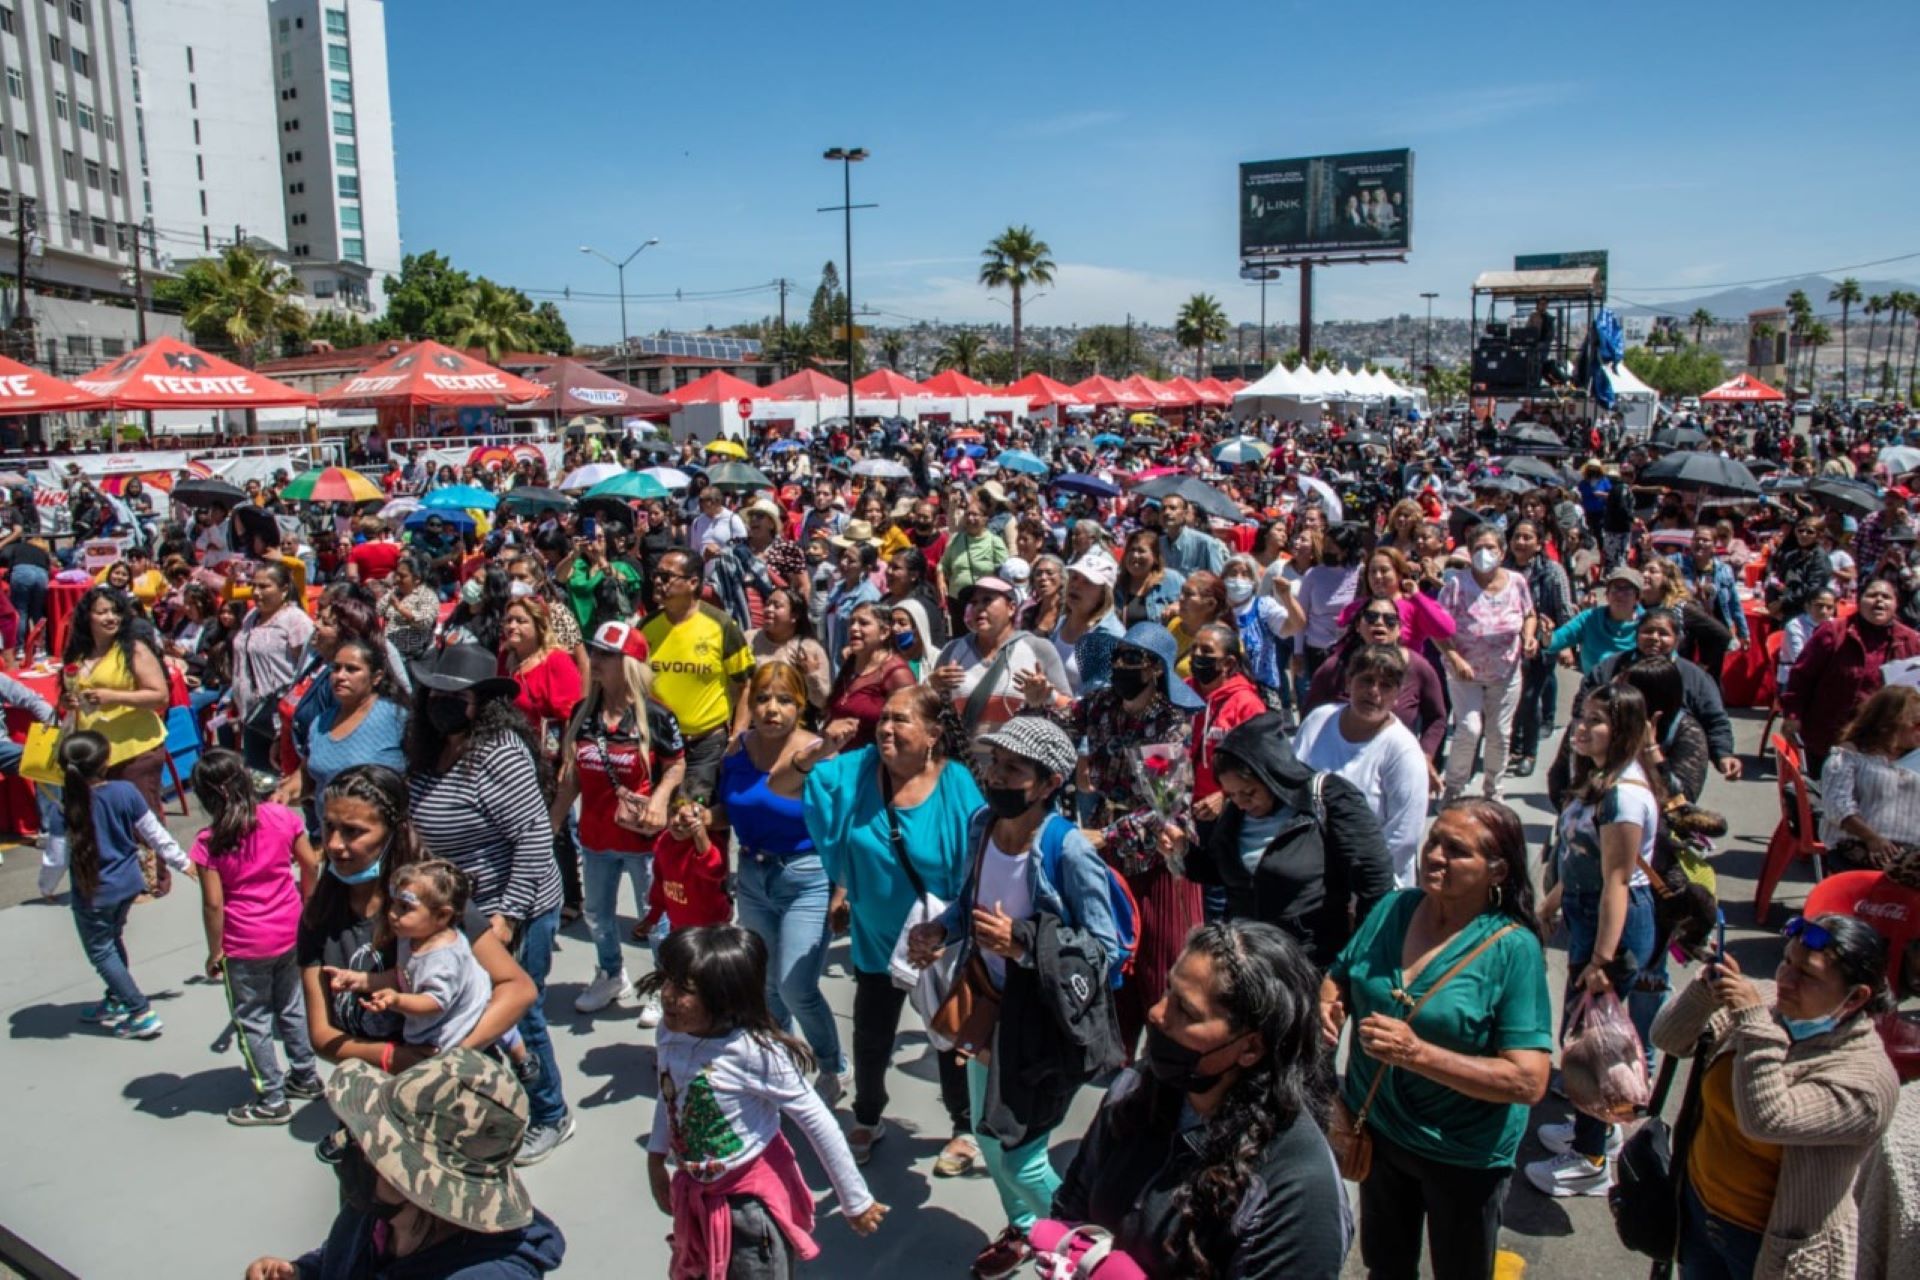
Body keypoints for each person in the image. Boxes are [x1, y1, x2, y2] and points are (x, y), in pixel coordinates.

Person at [906, 716, 1120, 1280]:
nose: (997, 776)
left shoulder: (1066, 850)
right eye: (994, 763)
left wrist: (1024, 943)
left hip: (1043, 1023)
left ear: (1049, 783)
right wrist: (943, 932)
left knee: (1024, 1161)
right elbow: (970, 907)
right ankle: (1027, 1232)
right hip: (990, 1012)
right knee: (983, 1131)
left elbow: (1108, 948)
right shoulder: (982, 824)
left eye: (1014, 769)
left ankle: (1095, 1255)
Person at [1321, 800, 1553, 1280]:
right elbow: (1341, 972)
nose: (1435, 856)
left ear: (1497, 870)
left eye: (1457, 850)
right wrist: (1330, 1004)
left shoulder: (1513, 949)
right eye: (1433, 842)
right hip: (1378, 1133)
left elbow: (1528, 1081)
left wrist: (1417, 1054)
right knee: (1385, 1266)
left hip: (1462, 1155)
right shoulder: (1394, 907)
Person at [1053, 921, 1350, 1280]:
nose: (1157, 1014)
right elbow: (1073, 1202)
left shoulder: (1297, 1189)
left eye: (1186, 1012)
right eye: (1167, 991)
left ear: (1251, 1047)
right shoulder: (1136, 1090)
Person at [1651, 914, 1900, 1280]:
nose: (1785, 979)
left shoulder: (1868, 1082)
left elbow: (1766, 1118)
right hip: (1699, 1211)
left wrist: (1754, 1024)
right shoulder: (1768, 1001)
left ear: (1856, 996)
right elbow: (1669, 1039)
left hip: (1771, 1247)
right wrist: (1706, 989)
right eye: (1786, 961)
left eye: (1808, 974)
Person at [800, 683, 984, 1171]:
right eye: (883, 718)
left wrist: (949, 933)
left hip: (938, 942)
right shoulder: (862, 770)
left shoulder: (957, 782)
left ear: (932, 734)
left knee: (948, 1036)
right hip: (876, 937)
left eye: (900, 719)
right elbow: (799, 788)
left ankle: (964, 1128)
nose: (886, 727)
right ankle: (867, 1116)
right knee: (872, 1034)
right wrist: (841, 891)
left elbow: (975, 867)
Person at [405, 646, 574, 1165]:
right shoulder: (428, 747)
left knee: (521, 1014)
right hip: (460, 909)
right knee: (468, 1011)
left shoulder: (499, 750)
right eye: (432, 692)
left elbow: (531, 838)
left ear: (481, 702)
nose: (439, 702)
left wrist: (511, 916)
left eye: (452, 696)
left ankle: (550, 1114)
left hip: (514, 906)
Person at [643, 925, 885, 1279]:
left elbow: (817, 1121)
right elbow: (671, 1096)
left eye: (683, 989)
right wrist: (655, 1157)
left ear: (723, 996)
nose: (666, 995)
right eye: (667, 980)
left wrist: (855, 1200)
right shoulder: (670, 1032)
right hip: (696, 1197)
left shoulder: (755, 1052)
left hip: (749, 1208)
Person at [1026, 621, 1202, 1055]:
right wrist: (1039, 703)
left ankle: (1168, 1056)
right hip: (1104, 844)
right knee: (1109, 947)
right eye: (1118, 657)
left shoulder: (1169, 723)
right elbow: (1058, 734)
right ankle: (1114, 1052)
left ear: (1155, 669)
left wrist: (1105, 836)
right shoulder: (1102, 704)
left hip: (1156, 856)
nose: (1121, 666)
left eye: (1132, 659)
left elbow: (1166, 807)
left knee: (1161, 960)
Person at [242, 1050, 567, 1280]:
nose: (351, 1146)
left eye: (373, 1143)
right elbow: (342, 1258)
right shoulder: (378, 1216)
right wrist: (305, 1272)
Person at [1528, 683, 1666, 1198]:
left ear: (1623, 730)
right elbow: (1581, 855)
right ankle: (1591, 1128)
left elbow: (1617, 880)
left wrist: (1602, 961)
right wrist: (1555, 898)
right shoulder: (1598, 782)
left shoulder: (1625, 796)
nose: (1581, 729)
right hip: (1589, 915)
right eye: (1581, 717)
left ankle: (1590, 1156)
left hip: (1614, 927)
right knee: (1584, 1032)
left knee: (1601, 1042)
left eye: (1597, 721)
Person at [716, 661, 848, 1097]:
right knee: (768, 986)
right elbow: (730, 810)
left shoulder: (822, 753)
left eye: (784, 700)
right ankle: (784, 1063)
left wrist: (842, 891)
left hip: (806, 876)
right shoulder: (736, 749)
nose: (772, 709)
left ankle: (832, 1065)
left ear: (801, 704)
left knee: (795, 986)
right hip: (752, 876)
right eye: (762, 700)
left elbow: (845, 825)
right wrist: (696, 816)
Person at [1180, 710, 1394, 966]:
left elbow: (1375, 883)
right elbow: (1221, 872)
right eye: (1232, 795)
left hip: (1310, 964)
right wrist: (1182, 851)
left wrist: (1352, 964)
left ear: (1274, 775)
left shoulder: (1329, 799)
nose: (1242, 803)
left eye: (1249, 793)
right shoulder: (1236, 815)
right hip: (1248, 964)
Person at [552, 619, 685, 1018]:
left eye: (606, 655)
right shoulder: (583, 713)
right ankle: (611, 974)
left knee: (655, 918)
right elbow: (572, 776)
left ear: (629, 663)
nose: (595, 660)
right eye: (594, 652)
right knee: (597, 914)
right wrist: (553, 823)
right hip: (595, 838)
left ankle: (666, 987)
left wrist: (661, 796)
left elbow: (677, 764)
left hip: (642, 841)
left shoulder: (657, 716)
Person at [190, 748, 322, 1125]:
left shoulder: (209, 842)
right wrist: (308, 904)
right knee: (292, 1007)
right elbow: (310, 863)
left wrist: (215, 951)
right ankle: (306, 1075)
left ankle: (272, 1097)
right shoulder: (280, 817)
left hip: (245, 943)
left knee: (253, 1019)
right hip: (289, 929)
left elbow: (213, 905)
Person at [322, 858, 535, 1083]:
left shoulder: (443, 958)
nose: (393, 913)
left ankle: (523, 1059)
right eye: (393, 903)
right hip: (435, 1027)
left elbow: (434, 1003)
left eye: (405, 907)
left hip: (454, 1032)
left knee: (504, 1034)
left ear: (442, 916)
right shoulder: (411, 936)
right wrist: (360, 981)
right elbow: (402, 976)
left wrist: (397, 1001)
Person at [52, 731, 195, 1041]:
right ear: (105, 763)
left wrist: (46, 885)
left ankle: (139, 1010)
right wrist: (182, 862)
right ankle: (116, 997)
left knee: (101, 950)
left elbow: (55, 856)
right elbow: (153, 832)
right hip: (129, 885)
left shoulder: (65, 806)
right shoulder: (124, 792)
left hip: (94, 893)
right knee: (112, 939)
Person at [60, 585, 175, 890]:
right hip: (94, 753)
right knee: (103, 819)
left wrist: (112, 696)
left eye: (115, 611)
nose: (110, 617)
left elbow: (160, 695)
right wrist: (67, 701)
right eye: (102, 612)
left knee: (143, 817)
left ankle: (154, 881)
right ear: (88, 618)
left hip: (136, 747)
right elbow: (66, 693)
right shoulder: (79, 653)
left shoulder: (134, 648)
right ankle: (120, 879)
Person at [1295, 645, 1434, 886]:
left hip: (1370, 883)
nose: (1374, 692)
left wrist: (1362, 884)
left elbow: (1403, 837)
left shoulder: (1403, 752)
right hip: (1309, 868)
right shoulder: (1318, 721)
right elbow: (1291, 784)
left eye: (1386, 685)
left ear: (1398, 694)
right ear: (1349, 683)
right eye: (1366, 680)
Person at [640, 548, 755, 802]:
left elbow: (747, 684)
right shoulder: (646, 627)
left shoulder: (722, 626)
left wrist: (738, 735)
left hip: (705, 746)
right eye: (655, 575)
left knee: (694, 820)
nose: (658, 581)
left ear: (693, 582)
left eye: (666, 576)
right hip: (657, 745)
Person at [1437, 525, 1536, 803]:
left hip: (1505, 671)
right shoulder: (1456, 584)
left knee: (1500, 733)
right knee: (1468, 729)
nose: (1485, 553)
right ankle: (1454, 788)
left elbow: (1529, 614)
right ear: (1469, 553)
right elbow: (1438, 626)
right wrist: (1454, 657)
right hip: (1465, 671)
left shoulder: (1516, 582)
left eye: (1490, 547)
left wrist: (1528, 637)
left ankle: (1494, 790)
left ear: (1502, 552)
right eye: (1478, 548)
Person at [1783, 575, 1920, 776]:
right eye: (1872, 595)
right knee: (1829, 798)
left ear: (1896, 604)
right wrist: (1793, 714)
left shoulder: (1910, 641)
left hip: (1886, 743)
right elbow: (1801, 676)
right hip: (1831, 735)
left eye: (1886, 597)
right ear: (1859, 600)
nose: (1879, 601)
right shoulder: (1833, 632)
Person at [1306, 596, 1448, 766]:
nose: (1380, 623)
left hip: (1394, 762)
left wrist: (1425, 756)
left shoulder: (1419, 667)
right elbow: (1310, 715)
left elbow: (1437, 718)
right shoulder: (1334, 667)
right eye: (1372, 617)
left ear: (1399, 630)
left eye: (1390, 620)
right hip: (1339, 762)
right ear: (1358, 625)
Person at [928, 575, 1069, 735]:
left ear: (1012, 608)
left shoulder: (1038, 648)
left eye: (987, 600)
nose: (978, 608)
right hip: (964, 758)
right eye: (973, 603)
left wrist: (1048, 696)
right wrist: (932, 686)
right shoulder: (953, 650)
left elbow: (1070, 711)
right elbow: (929, 710)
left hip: (1018, 758)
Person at [1819, 684, 1920, 882]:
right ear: (1890, 724)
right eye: (1917, 725)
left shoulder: (1913, 758)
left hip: (1912, 850)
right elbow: (1837, 806)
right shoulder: (1850, 756)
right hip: (1864, 844)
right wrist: (1872, 838)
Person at [233, 561, 317, 773]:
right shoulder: (251, 617)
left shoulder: (295, 620)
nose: (256, 592)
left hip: (280, 719)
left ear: (284, 590)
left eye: (264, 586)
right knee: (259, 781)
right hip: (252, 716)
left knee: (280, 782)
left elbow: (307, 670)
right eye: (254, 586)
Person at [1507, 517, 1574, 778]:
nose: (1520, 543)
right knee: (1511, 700)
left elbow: (1565, 608)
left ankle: (1529, 753)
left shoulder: (1552, 571)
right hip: (1509, 646)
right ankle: (1514, 744)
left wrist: (1564, 643)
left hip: (1543, 643)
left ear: (1538, 544)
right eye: (1516, 537)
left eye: (1527, 538)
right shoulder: (1505, 569)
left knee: (1529, 698)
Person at [824, 601, 916, 750]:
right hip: (838, 763)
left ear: (884, 632)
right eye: (851, 622)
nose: (853, 628)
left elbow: (909, 727)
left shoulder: (896, 674)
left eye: (863, 623)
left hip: (874, 764)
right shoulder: (851, 666)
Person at [1221, 552, 1305, 699]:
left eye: (1245, 574)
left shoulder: (1263, 607)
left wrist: (1286, 596)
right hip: (1222, 691)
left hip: (1259, 694)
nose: (1238, 579)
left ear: (1254, 581)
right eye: (1233, 573)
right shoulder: (1215, 608)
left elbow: (1296, 625)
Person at [1049, 551, 1126, 694]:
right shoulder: (1063, 620)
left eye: (1088, 582)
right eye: (1074, 578)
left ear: (1103, 594)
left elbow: (1097, 698)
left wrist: (1053, 698)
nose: (1076, 585)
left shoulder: (1110, 636)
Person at [1545, 564, 1644, 675]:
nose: (1620, 594)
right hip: (1594, 688)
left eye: (1627, 590)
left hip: (1631, 690)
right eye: (1616, 588)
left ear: (1637, 598)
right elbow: (1555, 641)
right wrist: (1546, 636)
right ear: (1607, 595)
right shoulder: (1590, 618)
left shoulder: (1646, 624)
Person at [746, 585, 830, 711]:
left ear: (794, 615)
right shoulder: (749, 639)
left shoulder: (809, 649)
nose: (769, 609)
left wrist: (811, 675)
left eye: (777, 606)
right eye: (767, 604)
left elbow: (823, 702)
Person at [939, 491, 1009, 634]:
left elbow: (1005, 571)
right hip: (957, 601)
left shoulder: (994, 542)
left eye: (975, 515)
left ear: (985, 519)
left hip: (982, 602)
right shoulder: (956, 540)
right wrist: (941, 579)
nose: (970, 518)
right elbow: (943, 565)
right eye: (968, 514)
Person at [1115, 528, 1184, 628]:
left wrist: (1179, 606)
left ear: (1155, 557)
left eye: (1141, 551)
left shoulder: (1172, 580)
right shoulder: (1116, 583)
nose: (1135, 555)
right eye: (1131, 550)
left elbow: (1194, 605)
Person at [376, 553, 440, 661]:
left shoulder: (427, 596)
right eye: (397, 574)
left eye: (403, 576)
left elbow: (425, 621)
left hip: (412, 654)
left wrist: (400, 608)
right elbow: (378, 610)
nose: (397, 579)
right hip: (389, 648)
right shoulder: (396, 592)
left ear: (417, 579)